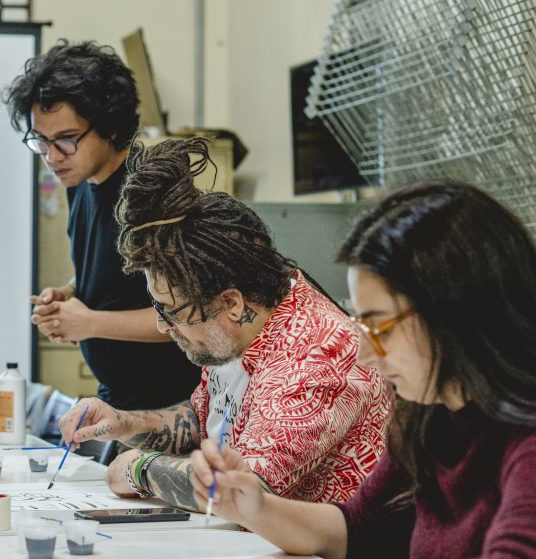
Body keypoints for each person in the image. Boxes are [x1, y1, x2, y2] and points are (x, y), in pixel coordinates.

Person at [186, 180, 536, 559]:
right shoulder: (429, 416)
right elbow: (360, 529)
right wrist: (258, 507)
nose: (368, 356)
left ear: (452, 311)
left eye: (380, 328)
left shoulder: (524, 436)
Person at [59, 138, 391, 507]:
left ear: (231, 302)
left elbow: (243, 491)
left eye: (173, 310)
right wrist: (126, 423)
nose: (162, 326)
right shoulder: (240, 331)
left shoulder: (316, 355)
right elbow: (206, 420)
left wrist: (143, 468)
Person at [2, 41, 201, 415]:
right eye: (40, 141)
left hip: (172, 407)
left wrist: (89, 322)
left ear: (109, 124)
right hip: (119, 398)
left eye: (66, 139)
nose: (52, 156)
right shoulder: (80, 183)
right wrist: (70, 294)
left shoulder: (149, 191)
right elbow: (118, 273)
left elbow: (187, 315)